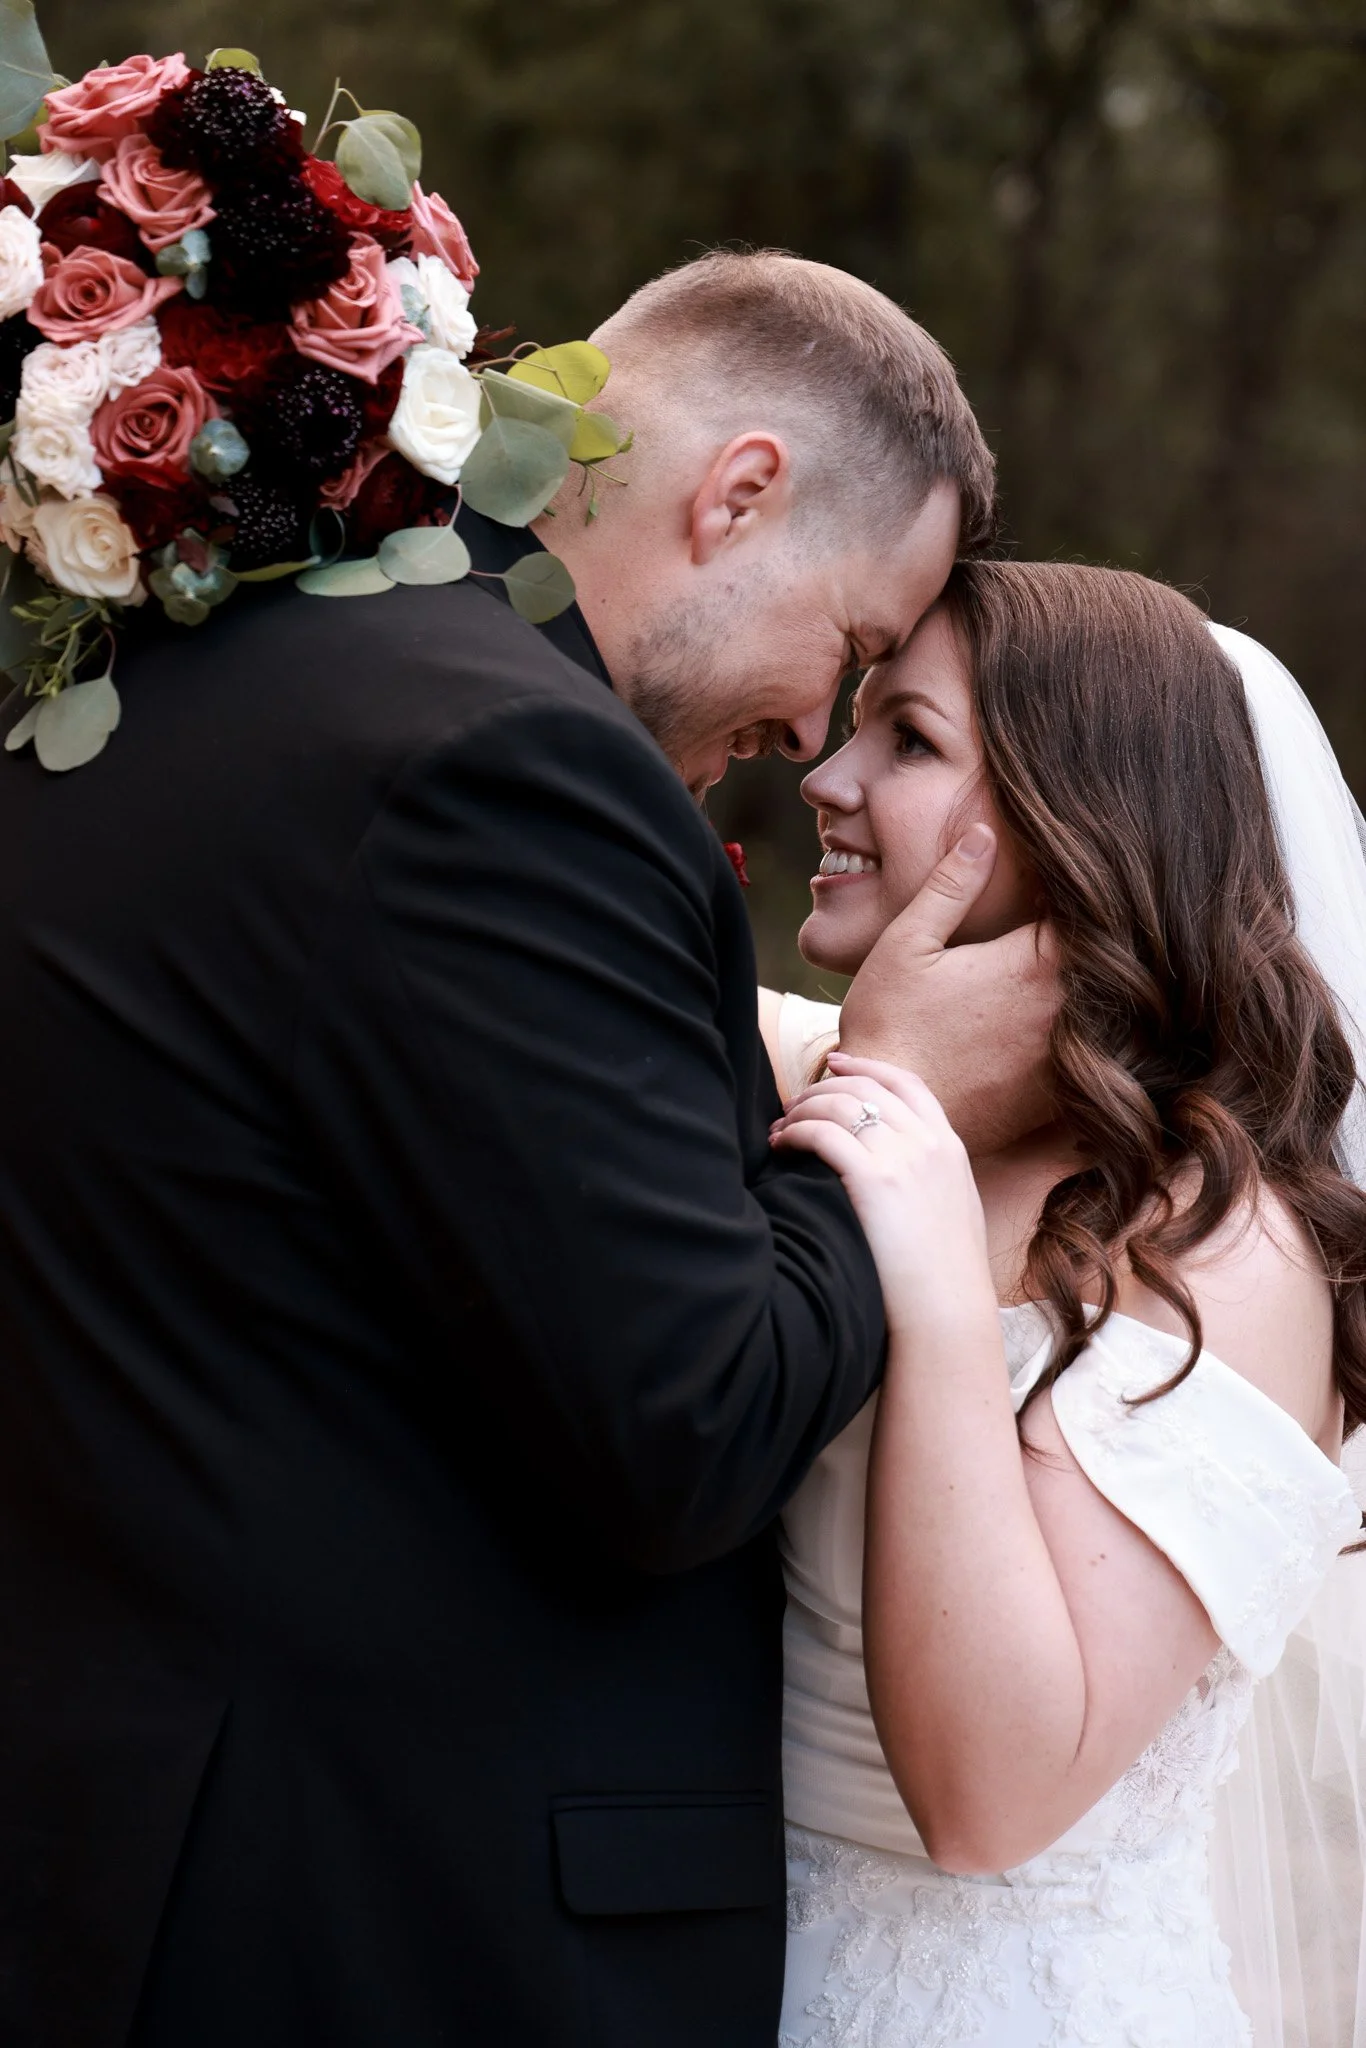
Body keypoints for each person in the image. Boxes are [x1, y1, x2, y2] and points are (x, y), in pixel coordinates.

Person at [0, 252, 1054, 2048]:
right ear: (737, 494)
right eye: (856, 648)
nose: (808, 734)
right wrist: (889, 1096)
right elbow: (688, 1426)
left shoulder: (170, 680)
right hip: (392, 1929)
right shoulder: (509, 769)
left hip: (134, 1863)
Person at [763, 561, 1366, 2046]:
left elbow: (992, 1802)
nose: (824, 779)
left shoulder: (1218, 1252)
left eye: (906, 739)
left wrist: (930, 1282)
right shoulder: (828, 1082)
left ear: (1069, 818)